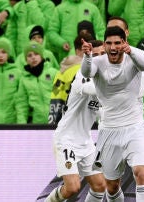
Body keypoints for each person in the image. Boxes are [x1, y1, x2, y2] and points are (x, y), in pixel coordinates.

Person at [81, 26, 144, 201]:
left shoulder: (133, 58)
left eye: (118, 43)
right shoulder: (98, 62)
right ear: (104, 45)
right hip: (109, 130)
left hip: (135, 127)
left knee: (141, 173)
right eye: (109, 43)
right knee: (112, 187)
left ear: (124, 43)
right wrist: (87, 56)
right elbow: (86, 72)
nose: (113, 47)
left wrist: (132, 51)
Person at [45, 44, 106, 202]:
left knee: (100, 185)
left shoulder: (106, 79)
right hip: (66, 141)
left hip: (85, 142)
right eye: (95, 54)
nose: (99, 57)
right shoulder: (82, 75)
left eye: (103, 53)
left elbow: (105, 114)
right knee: (72, 188)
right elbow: (90, 89)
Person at [48, 34, 94, 125]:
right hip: (86, 122)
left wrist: (52, 123)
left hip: (66, 121)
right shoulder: (89, 70)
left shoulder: (61, 71)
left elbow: (55, 96)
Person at [15, 41, 57, 124]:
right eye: (29, 55)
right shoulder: (25, 79)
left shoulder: (53, 73)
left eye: (36, 54)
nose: (33, 57)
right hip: (38, 123)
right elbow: (21, 103)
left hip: (57, 121)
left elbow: (63, 95)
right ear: (26, 60)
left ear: (41, 56)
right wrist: (21, 125)